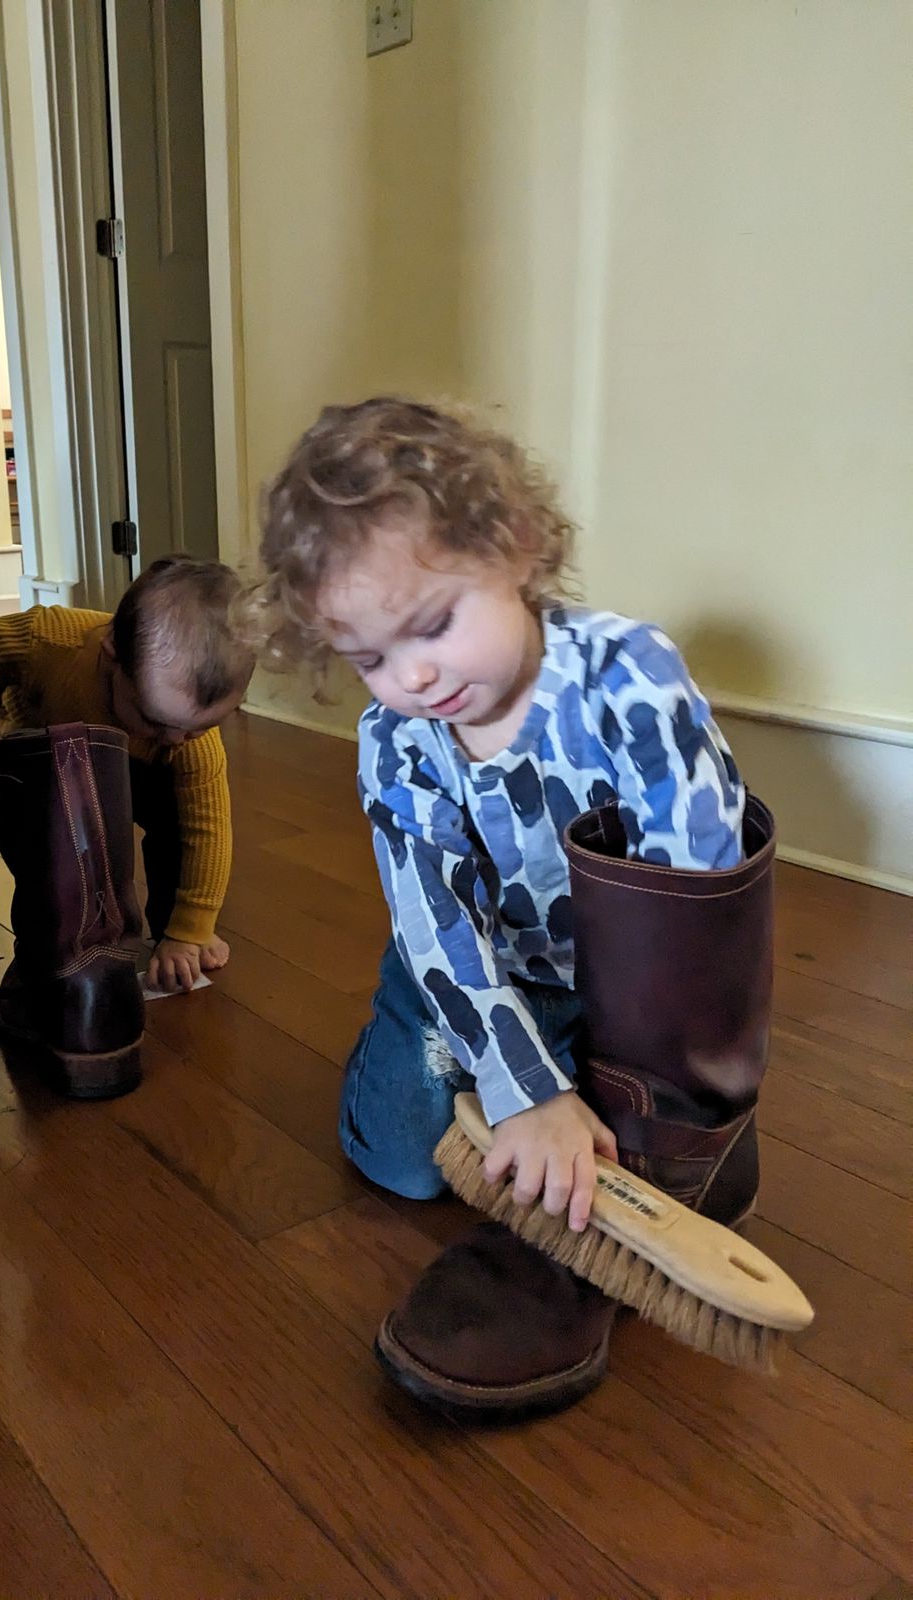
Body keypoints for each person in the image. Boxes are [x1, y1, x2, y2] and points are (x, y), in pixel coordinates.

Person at [246, 398, 773, 1421]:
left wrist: (662, 1084)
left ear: (516, 547)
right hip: (468, 973)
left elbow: (700, 892)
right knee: (403, 1162)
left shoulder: (629, 678)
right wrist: (524, 1087)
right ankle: (435, 1067)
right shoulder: (398, 740)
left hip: (626, 995)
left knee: (617, 1110)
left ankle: (695, 1132)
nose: (416, 675)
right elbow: (433, 916)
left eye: (434, 624)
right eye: (371, 659)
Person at [0, 556, 254, 993]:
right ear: (113, 653)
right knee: (38, 845)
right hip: (43, 761)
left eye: (202, 725)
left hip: (133, 769)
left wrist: (188, 932)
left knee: (177, 818)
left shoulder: (187, 741)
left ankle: (175, 925)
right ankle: (52, 940)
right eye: (154, 719)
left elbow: (207, 832)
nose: (175, 739)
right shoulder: (48, 641)